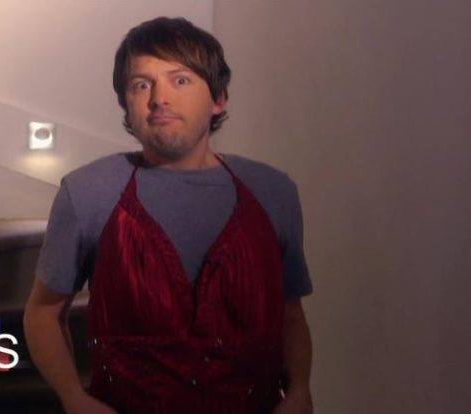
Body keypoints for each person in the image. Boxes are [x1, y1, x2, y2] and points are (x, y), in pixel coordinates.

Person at [24, 16, 313, 414]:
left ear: (218, 99)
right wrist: (73, 397)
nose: (159, 97)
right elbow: (43, 311)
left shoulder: (273, 192)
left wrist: (300, 390)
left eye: (180, 80)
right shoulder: (87, 193)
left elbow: (290, 314)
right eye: (141, 85)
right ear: (127, 105)